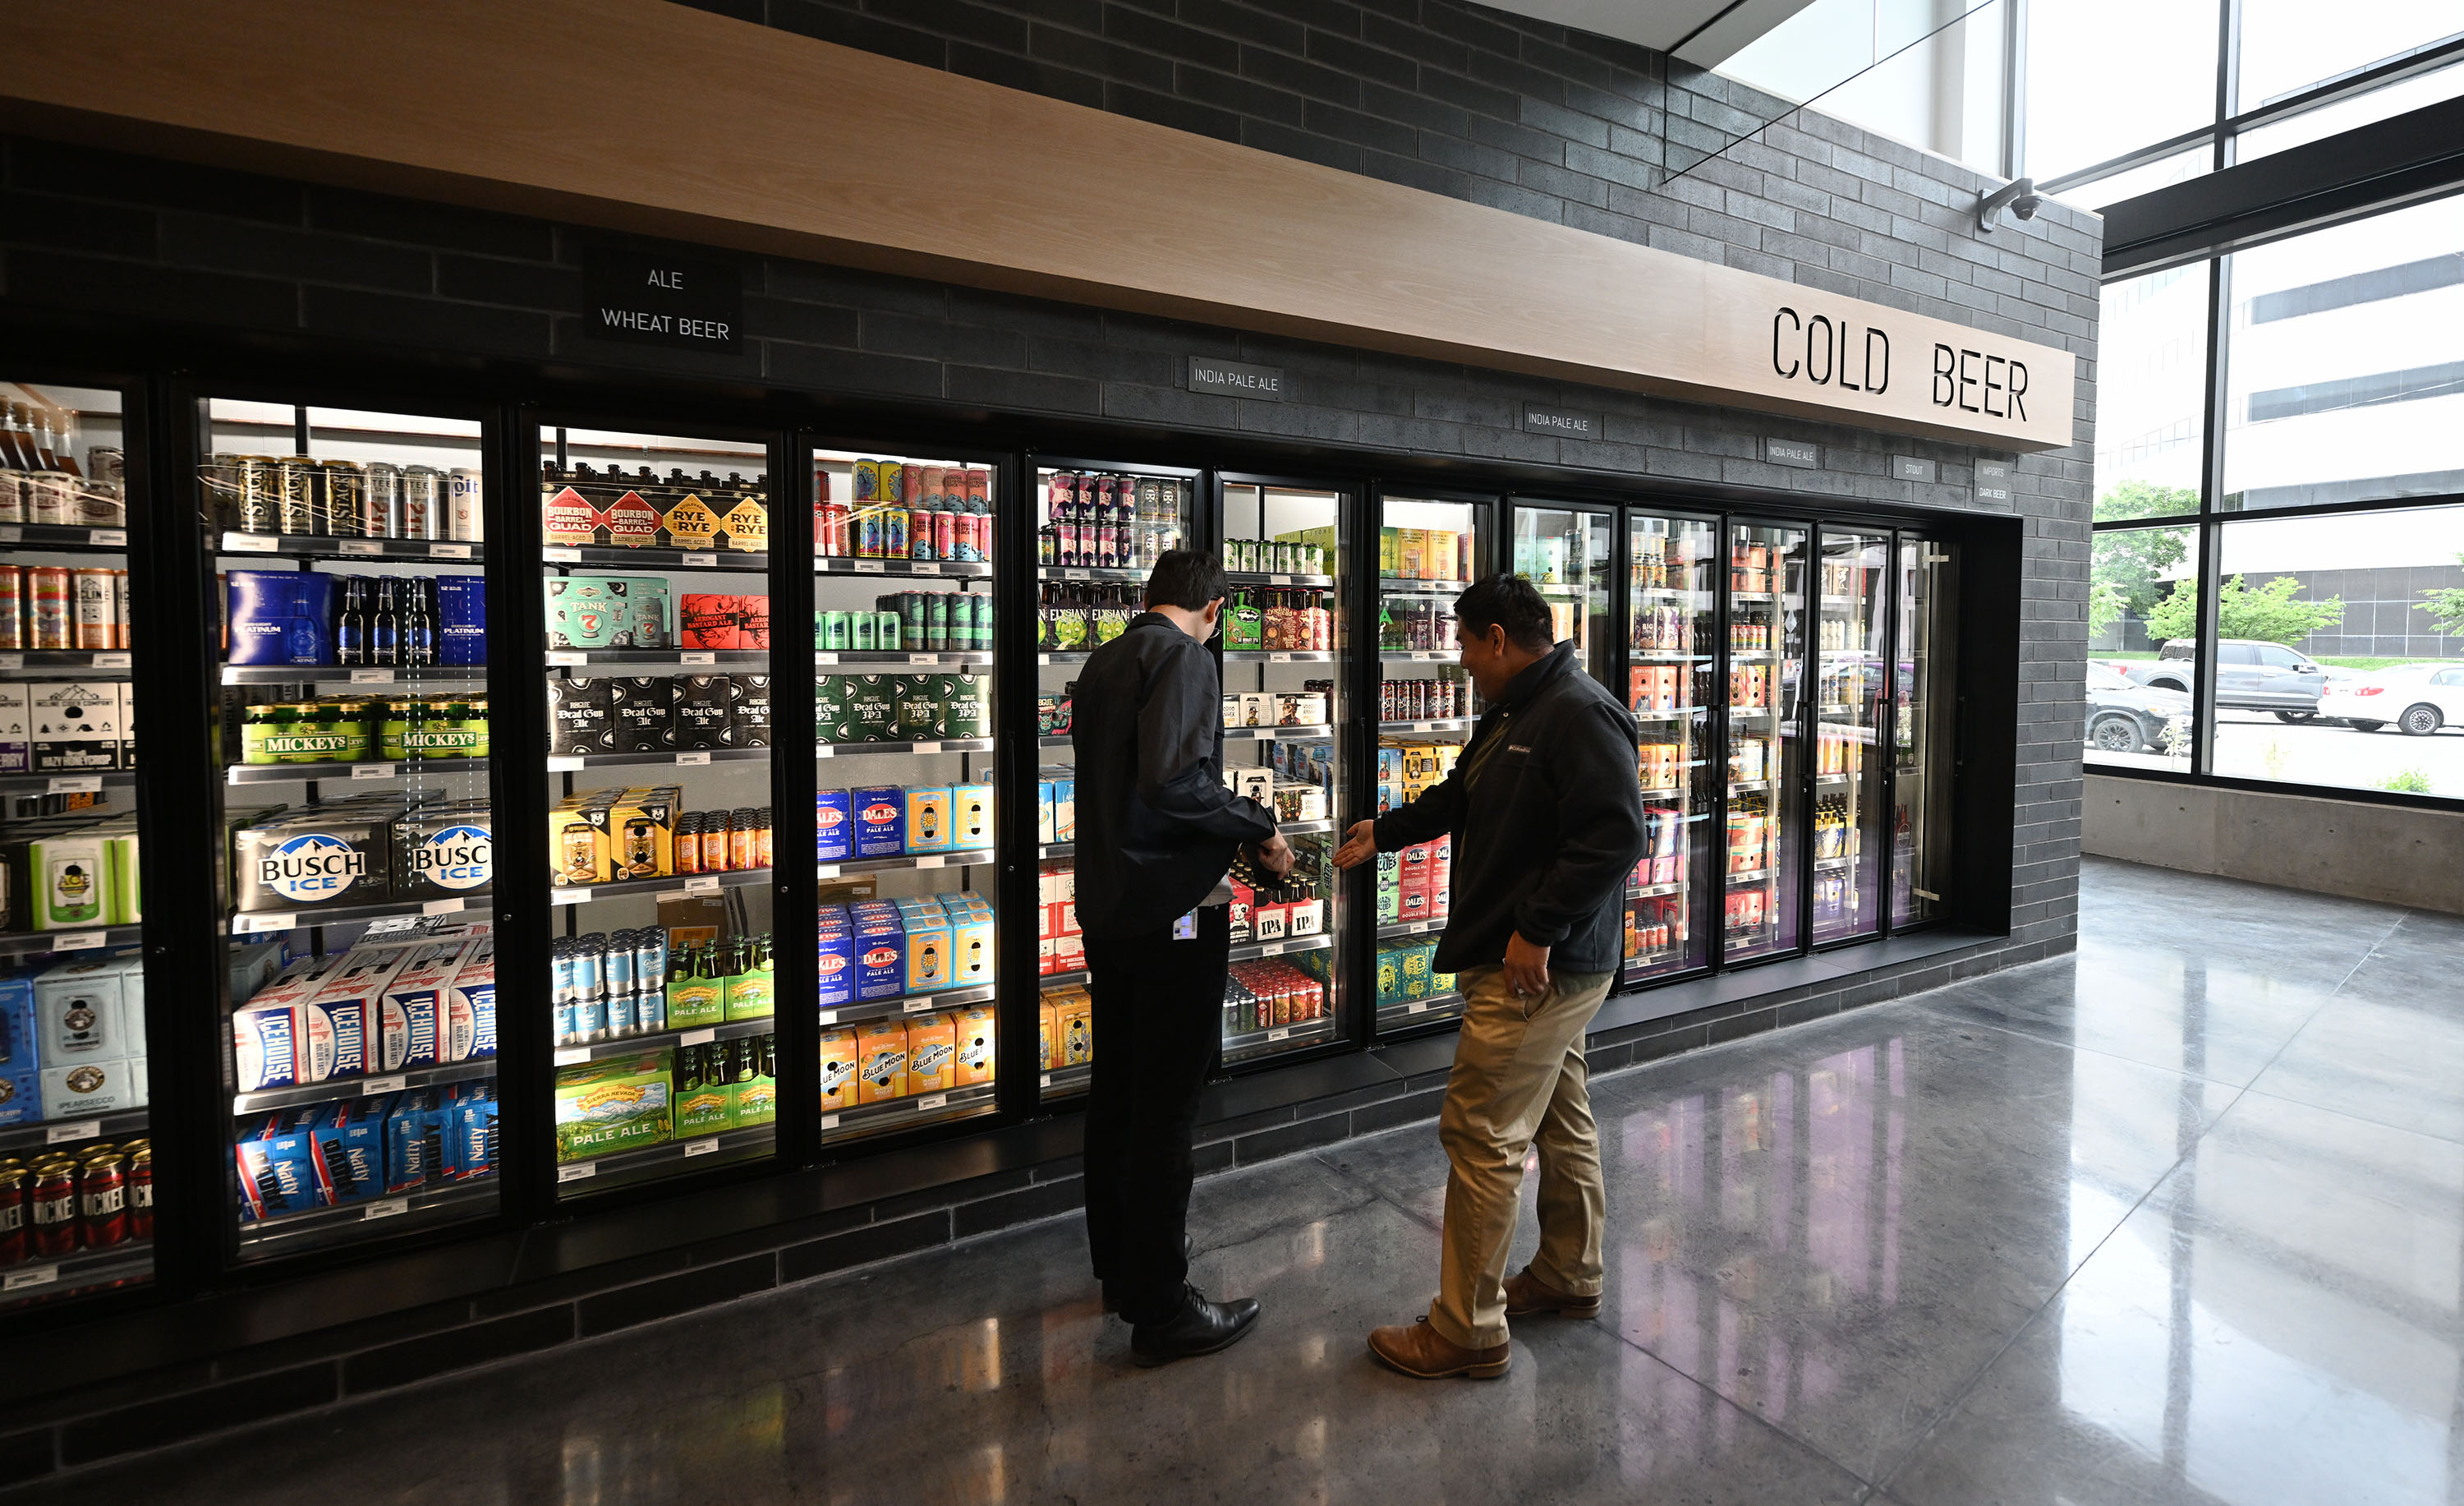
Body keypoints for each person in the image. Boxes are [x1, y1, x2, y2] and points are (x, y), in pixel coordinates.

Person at [1334, 573, 1645, 1380]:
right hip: (1542, 968)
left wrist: (1537, 930)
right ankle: (1569, 1275)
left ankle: (1466, 1329)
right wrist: (1388, 831)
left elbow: (1614, 836)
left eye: (1468, 645)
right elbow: (1466, 795)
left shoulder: (1579, 712)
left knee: (1480, 1133)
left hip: (1540, 969)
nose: (1464, 661)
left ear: (1499, 638)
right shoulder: (1517, 711)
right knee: (1559, 1116)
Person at [1073, 547, 1294, 1366]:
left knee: (1119, 1096)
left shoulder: (1106, 659)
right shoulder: (1185, 657)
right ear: (1215, 610)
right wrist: (1257, 827)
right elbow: (1174, 782)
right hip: (1171, 911)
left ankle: (1124, 1273)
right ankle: (1163, 1308)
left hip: (1111, 908)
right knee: (1168, 1107)